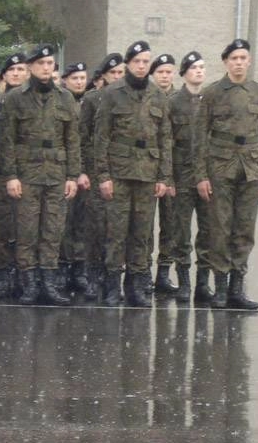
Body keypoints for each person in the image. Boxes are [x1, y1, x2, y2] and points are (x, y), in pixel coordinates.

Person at [0, 44, 81, 305]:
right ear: (31, 66)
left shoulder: (65, 98)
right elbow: (7, 140)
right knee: (27, 229)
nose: (47, 68)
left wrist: (72, 175)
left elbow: (72, 140)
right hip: (27, 173)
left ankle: (48, 282)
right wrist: (10, 175)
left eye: (50, 64)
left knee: (52, 229)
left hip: (56, 173)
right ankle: (29, 284)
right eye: (42, 63)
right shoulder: (15, 98)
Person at [195, 39, 258, 310]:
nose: (239, 62)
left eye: (243, 58)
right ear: (226, 62)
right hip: (220, 166)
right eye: (234, 58)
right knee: (220, 228)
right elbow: (200, 137)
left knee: (244, 229)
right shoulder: (213, 92)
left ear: (249, 61)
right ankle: (220, 288)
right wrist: (201, 175)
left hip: (251, 166)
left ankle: (237, 288)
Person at [95, 41, 172, 307]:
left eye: (145, 61)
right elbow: (101, 137)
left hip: (148, 173)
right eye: (137, 61)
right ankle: (112, 285)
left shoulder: (158, 95)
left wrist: (164, 177)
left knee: (141, 233)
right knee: (116, 231)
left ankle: (136, 285)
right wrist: (103, 175)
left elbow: (165, 138)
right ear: (128, 63)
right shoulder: (113, 93)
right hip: (118, 172)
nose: (142, 66)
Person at [78, 52, 125, 301]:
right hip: (96, 171)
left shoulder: (127, 98)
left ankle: (113, 278)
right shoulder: (92, 99)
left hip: (122, 170)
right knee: (96, 226)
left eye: (120, 73)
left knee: (116, 229)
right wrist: (83, 170)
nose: (117, 77)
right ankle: (93, 276)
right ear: (103, 77)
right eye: (112, 73)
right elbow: (82, 137)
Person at [168, 51, 213, 303]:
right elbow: (167, 141)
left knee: (207, 232)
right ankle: (184, 281)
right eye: (194, 67)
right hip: (181, 174)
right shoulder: (174, 102)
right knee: (181, 232)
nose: (199, 71)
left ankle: (202, 284)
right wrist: (168, 178)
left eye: (202, 67)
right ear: (184, 72)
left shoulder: (211, 101)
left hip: (206, 177)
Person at [0, 52, 29, 297]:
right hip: (2, 172)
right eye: (11, 70)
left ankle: (24, 275)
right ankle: (2, 275)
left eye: (21, 69)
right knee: (2, 227)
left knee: (26, 227)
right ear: (4, 75)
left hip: (30, 172)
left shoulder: (32, 100)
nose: (16, 73)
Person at [147, 53, 178, 294]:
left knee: (171, 224)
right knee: (144, 225)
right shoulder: (146, 98)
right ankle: (144, 271)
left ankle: (164, 273)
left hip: (174, 171)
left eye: (169, 72)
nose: (165, 76)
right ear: (153, 75)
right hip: (147, 168)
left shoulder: (180, 99)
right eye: (160, 72)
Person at [58, 61, 89, 291]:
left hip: (87, 172)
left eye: (82, 78)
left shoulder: (90, 103)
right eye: (75, 78)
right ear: (65, 80)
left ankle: (79, 268)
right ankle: (62, 266)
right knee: (62, 222)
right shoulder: (59, 100)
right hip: (63, 171)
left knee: (82, 222)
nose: (79, 82)